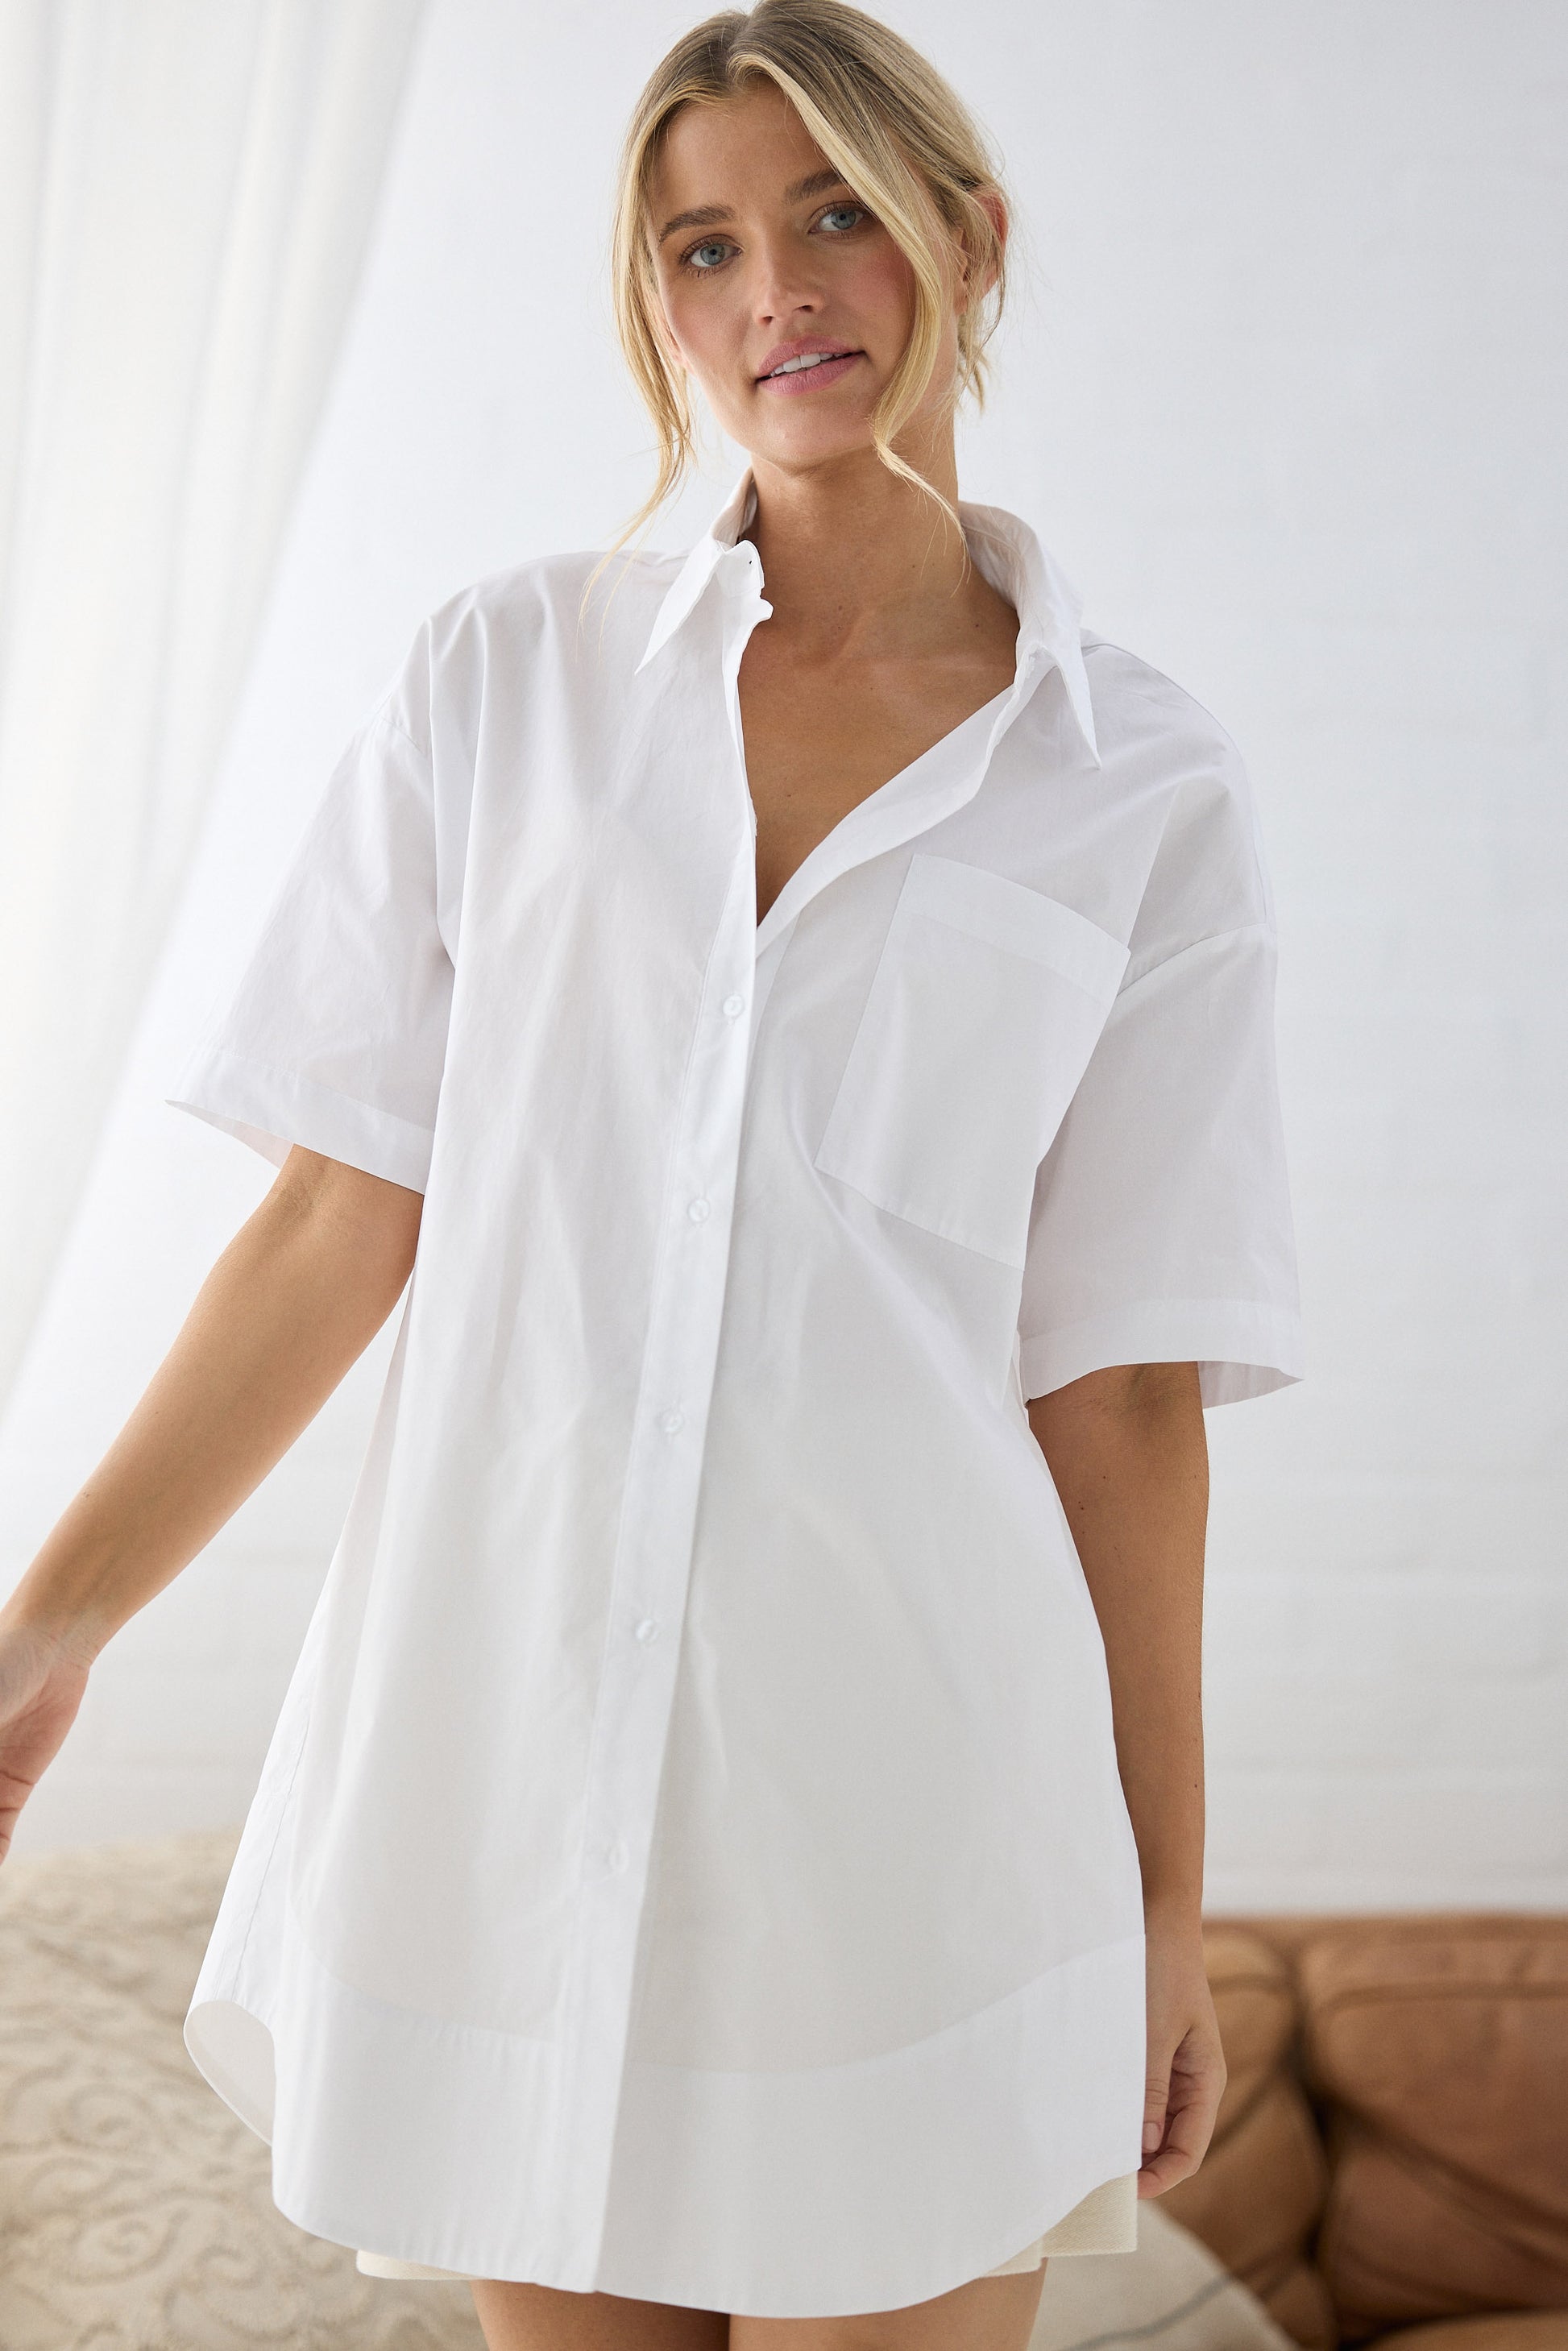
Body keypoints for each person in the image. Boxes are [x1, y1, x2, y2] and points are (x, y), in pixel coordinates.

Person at [0, 4, 1304, 2347]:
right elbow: (335, 1217)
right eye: (700, 244)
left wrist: (1158, 1908)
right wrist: (51, 1624)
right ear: (653, 303)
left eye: (827, 214)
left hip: (913, 1823)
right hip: (503, 1792)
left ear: (963, 241)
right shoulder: (503, 685)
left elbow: (1115, 1396)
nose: (770, 291)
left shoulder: (1138, 786)